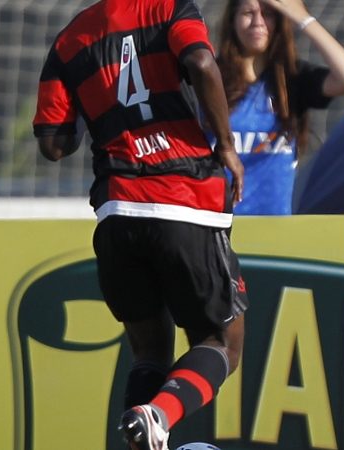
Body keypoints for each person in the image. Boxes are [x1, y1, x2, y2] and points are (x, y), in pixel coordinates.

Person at [32, 1, 248, 449]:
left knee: (149, 351)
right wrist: (226, 145)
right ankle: (158, 413)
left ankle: (141, 436)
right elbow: (201, 61)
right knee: (222, 343)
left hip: (117, 214)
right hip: (181, 200)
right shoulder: (168, 8)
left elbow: (54, 144)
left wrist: (91, 118)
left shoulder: (71, 38)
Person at [213, 0, 344, 215]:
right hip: (218, 222)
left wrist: (303, 18)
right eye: (248, 13)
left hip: (275, 226)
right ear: (232, 21)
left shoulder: (291, 80)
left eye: (267, 14)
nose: (258, 22)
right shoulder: (210, 78)